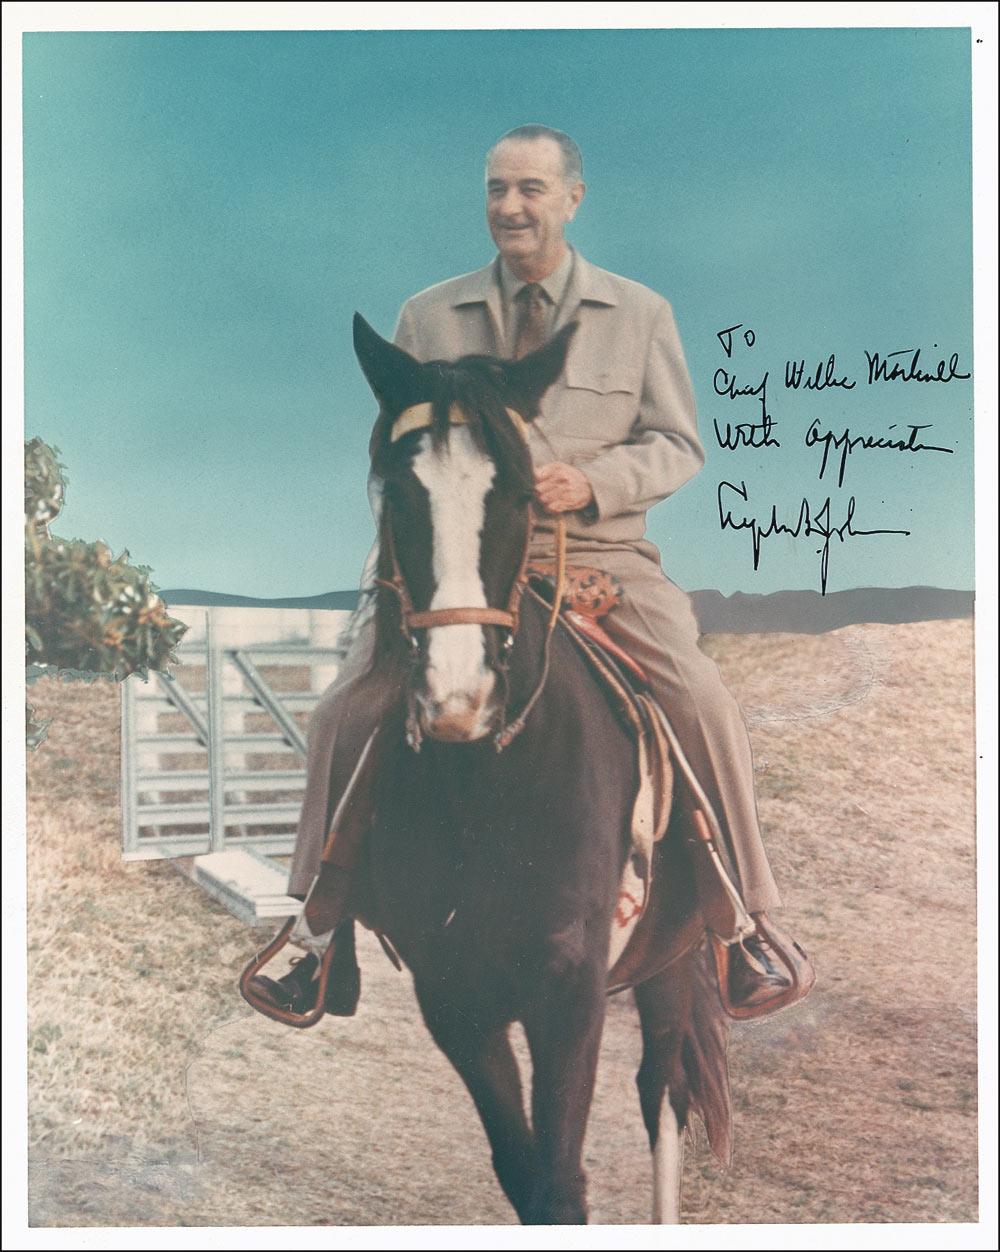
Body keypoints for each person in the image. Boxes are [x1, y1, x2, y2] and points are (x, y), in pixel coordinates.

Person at [246, 124, 814, 1023]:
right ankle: (317, 934)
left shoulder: (640, 314)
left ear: (572, 199)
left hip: (595, 556)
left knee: (699, 695)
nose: (511, 207)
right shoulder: (428, 316)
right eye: (497, 189)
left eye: (531, 189)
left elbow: (677, 444)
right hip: (456, 567)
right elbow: (398, 454)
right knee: (344, 710)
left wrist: (592, 483)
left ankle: (743, 920)